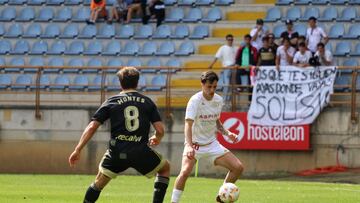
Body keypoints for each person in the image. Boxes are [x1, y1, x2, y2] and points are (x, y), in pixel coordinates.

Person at [68, 67, 170, 203]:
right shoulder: (147, 102)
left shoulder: (112, 101)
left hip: (116, 153)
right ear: (137, 82)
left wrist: (78, 149)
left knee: (98, 183)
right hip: (140, 152)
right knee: (164, 169)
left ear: (120, 83)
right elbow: (160, 130)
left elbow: (92, 126)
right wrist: (157, 138)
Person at [171, 71, 244, 203]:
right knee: (185, 171)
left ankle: (221, 198)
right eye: (209, 86)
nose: (212, 90)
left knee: (238, 167)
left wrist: (227, 133)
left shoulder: (218, 100)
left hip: (212, 144)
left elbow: (216, 121)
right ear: (202, 84)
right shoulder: (195, 101)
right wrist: (188, 145)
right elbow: (188, 125)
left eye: (214, 87)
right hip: (194, 145)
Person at [208, 34, 238, 101]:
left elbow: (238, 59)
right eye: (229, 39)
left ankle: (229, 100)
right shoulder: (223, 48)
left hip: (234, 68)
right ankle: (224, 99)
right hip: (226, 69)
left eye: (231, 39)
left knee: (232, 85)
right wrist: (211, 65)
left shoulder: (236, 48)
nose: (230, 41)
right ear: (226, 40)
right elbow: (216, 57)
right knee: (226, 84)